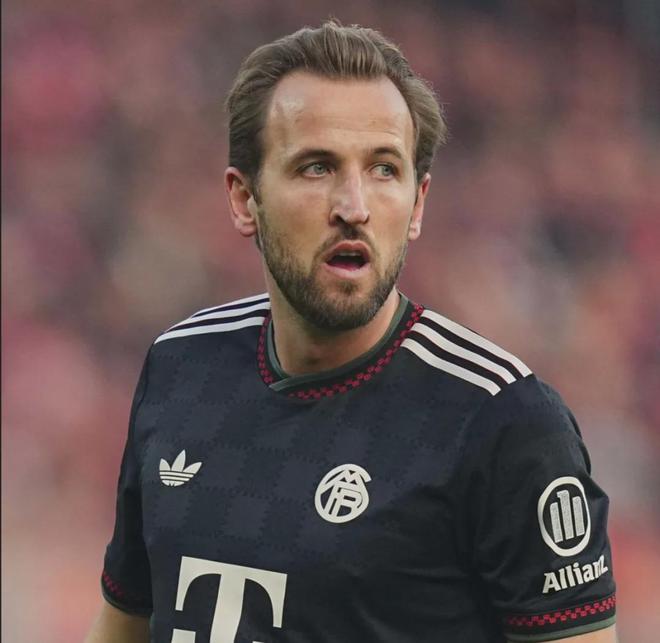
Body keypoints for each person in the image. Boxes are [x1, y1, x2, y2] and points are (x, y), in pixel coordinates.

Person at [85, 21, 617, 643]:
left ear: (417, 205)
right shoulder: (181, 367)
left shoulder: (501, 421)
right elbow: (123, 625)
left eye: (384, 169)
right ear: (244, 198)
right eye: (316, 167)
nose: (354, 206)